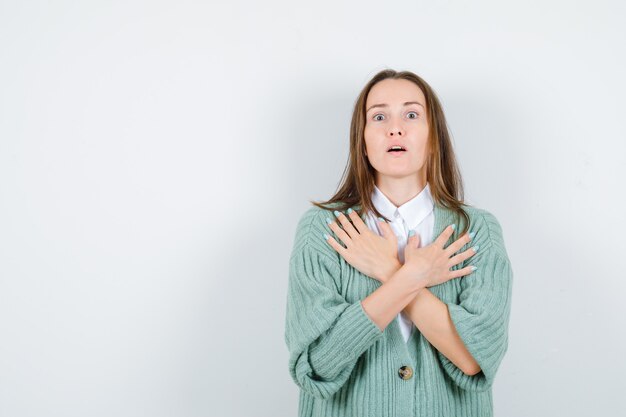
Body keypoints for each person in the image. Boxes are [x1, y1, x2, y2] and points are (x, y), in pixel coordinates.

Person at [284, 69, 513, 417]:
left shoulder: (477, 231)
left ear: (433, 136)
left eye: (411, 114)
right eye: (379, 116)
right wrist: (413, 277)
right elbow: (317, 367)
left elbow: (472, 359)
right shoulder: (323, 230)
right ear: (362, 140)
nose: (395, 128)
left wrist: (389, 270)